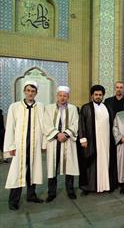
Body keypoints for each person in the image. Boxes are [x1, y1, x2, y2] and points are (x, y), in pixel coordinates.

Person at [3, 81, 45, 210]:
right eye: (28, 91)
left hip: (34, 145)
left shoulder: (40, 106)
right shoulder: (14, 107)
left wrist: (44, 144)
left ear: (36, 93)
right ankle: (13, 200)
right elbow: (10, 127)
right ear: (24, 91)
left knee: (32, 170)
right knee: (17, 172)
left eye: (33, 91)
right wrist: (11, 146)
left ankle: (31, 195)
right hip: (20, 145)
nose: (30, 93)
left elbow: (44, 126)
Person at [44, 86, 79, 202]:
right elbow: (46, 124)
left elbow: (75, 124)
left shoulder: (73, 109)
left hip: (67, 141)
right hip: (54, 141)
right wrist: (57, 134)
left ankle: (70, 191)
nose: (62, 98)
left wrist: (66, 134)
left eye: (65, 96)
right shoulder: (48, 108)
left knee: (69, 167)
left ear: (68, 97)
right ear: (57, 96)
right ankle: (51, 193)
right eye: (60, 95)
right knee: (52, 168)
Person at [78, 85, 114, 194]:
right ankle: (88, 187)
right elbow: (81, 124)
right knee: (90, 163)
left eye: (100, 95)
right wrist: (83, 139)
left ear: (103, 96)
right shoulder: (86, 107)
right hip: (91, 141)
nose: (98, 97)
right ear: (92, 95)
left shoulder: (107, 107)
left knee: (105, 162)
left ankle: (105, 185)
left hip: (106, 141)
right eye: (96, 95)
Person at [104, 81, 124, 191]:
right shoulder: (108, 101)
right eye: (117, 87)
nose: (119, 89)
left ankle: (123, 181)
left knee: (123, 159)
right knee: (112, 158)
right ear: (114, 88)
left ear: (123, 89)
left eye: (121, 87)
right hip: (110, 133)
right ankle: (112, 181)